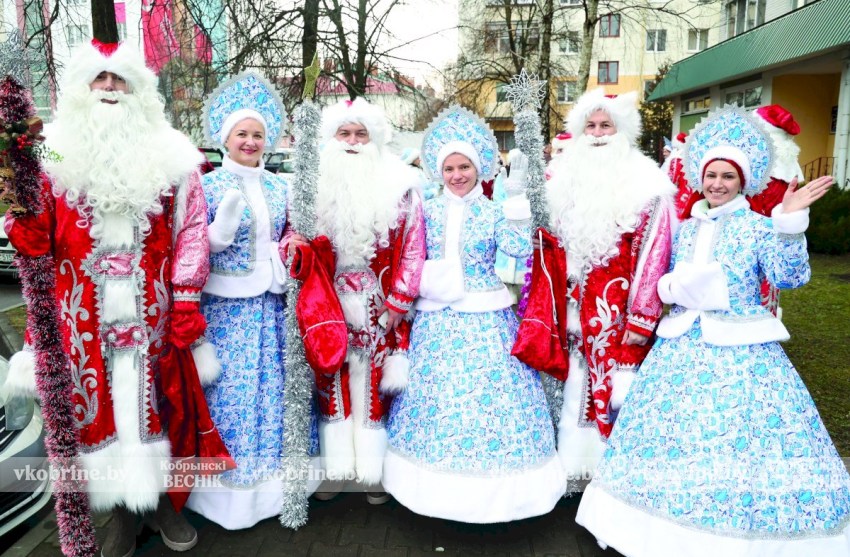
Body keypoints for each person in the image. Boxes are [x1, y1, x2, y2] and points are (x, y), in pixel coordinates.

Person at [575, 105, 850, 556]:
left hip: (741, 354)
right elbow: (660, 281)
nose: (718, 184)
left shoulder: (761, 228)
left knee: (734, 443)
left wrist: (790, 226)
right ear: (698, 178)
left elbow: (789, 277)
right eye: (711, 175)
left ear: (743, 180)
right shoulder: (684, 230)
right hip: (681, 348)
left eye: (727, 176)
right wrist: (674, 287)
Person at [3, 40, 215, 556]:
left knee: (160, 408)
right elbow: (30, 226)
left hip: (157, 316)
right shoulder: (49, 150)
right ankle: (118, 514)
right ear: (80, 90)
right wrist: (21, 215)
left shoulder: (172, 153)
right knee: (95, 412)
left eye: (120, 80)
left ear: (140, 90)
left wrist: (185, 298)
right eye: (100, 80)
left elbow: (192, 228)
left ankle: (166, 505)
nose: (110, 89)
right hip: (80, 316)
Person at [383, 107, 565, 522]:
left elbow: (518, 252)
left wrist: (517, 206)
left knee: (492, 404)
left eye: (464, 166)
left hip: (487, 319)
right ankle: (428, 490)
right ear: (438, 171)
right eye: (449, 168)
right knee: (435, 403)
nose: (457, 175)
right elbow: (409, 256)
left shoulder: (493, 210)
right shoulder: (425, 209)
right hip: (437, 323)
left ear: (478, 168)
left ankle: (499, 494)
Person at [183, 72, 319, 529]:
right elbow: (189, 248)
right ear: (225, 138)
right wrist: (216, 236)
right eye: (242, 133)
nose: (251, 141)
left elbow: (286, 237)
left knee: (273, 395)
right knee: (234, 398)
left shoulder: (282, 187)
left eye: (258, 134)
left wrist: (291, 248)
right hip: (225, 313)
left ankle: (273, 494)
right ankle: (227, 500)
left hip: (272, 309)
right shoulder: (207, 186)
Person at [285, 98, 426, 503]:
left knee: (372, 383)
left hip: (378, 304)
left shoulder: (402, 189)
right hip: (325, 303)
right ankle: (337, 468)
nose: (352, 142)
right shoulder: (309, 190)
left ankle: (372, 472)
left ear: (375, 140)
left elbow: (415, 248)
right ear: (330, 139)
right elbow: (290, 239)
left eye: (361, 134)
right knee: (329, 381)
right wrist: (292, 247)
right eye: (344, 134)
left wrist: (400, 301)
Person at [544, 88, 674, 486]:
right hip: (568, 305)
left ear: (623, 131)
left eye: (606, 125)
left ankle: (609, 480)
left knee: (611, 390)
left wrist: (642, 316)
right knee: (570, 384)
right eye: (591, 126)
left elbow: (655, 254)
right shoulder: (560, 180)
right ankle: (570, 468)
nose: (598, 133)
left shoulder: (648, 184)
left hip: (618, 310)